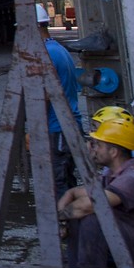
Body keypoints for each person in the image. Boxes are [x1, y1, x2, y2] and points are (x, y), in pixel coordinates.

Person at [60, 112, 134, 268]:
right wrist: (64, 218)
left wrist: (57, 218)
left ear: (113, 152)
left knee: (94, 217)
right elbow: (73, 193)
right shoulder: (114, 174)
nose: (93, 149)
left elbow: (88, 206)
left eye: (98, 145)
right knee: (83, 215)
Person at [43, 35, 81, 197]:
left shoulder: (46, 54)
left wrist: (34, 129)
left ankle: (63, 219)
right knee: (66, 178)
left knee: (57, 181)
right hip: (69, 124)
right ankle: (72, 219)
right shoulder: (58, 49)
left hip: (58, 127)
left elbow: (43, 95)